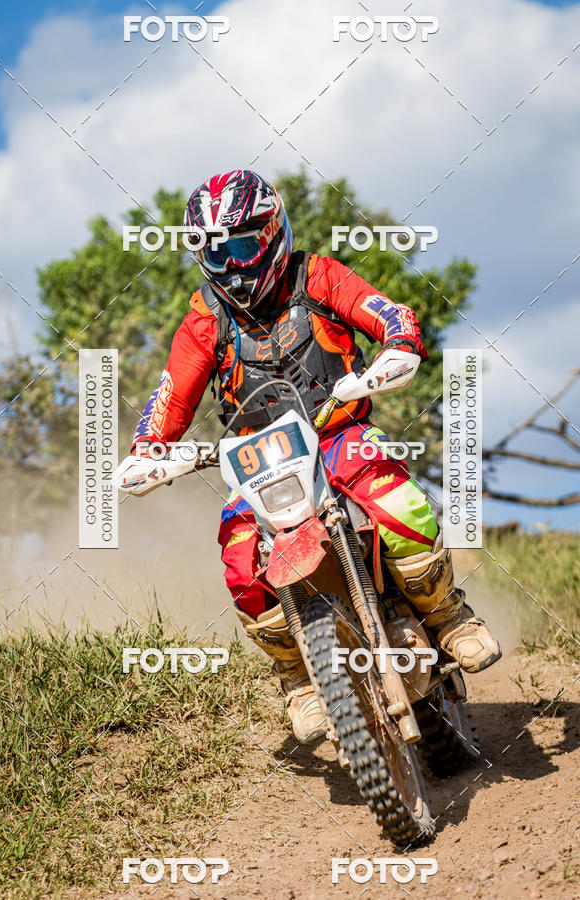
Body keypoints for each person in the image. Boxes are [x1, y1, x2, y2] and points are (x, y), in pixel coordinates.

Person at [117, 169, 500, 744]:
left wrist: (397, 346)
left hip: (336, 436)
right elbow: (167, 400)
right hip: (257, 462)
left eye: (245, 245)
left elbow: (386, 312)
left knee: (399, 505)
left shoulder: (316, 276)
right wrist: (149, 452)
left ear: (273, 233)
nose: (235, 266)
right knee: (242, 564)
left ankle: (449, 618)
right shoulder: (204, 321)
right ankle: (297, 676)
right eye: (218, 252)